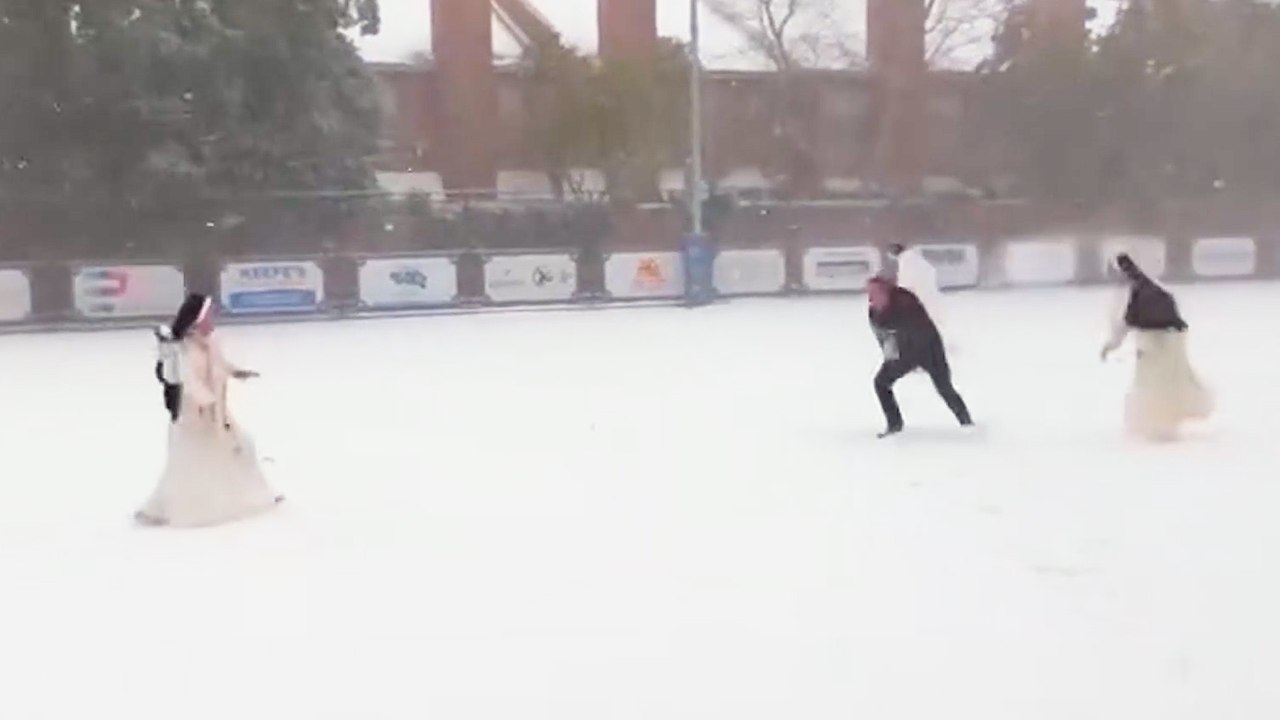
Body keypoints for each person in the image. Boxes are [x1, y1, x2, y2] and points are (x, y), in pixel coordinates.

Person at [136, 293, 283, 527]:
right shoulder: (184, 350)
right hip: (195, 418)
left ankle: (255, 496)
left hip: (218, 416)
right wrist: (207, 402)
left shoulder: (210, 343)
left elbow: (219, 365)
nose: (213, 319)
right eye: (209, 314)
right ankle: (169, 509)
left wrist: (236, 372)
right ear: (197, 319)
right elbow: (189, 382)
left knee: (242, 449)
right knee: (190, 466)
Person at [1100, 253, 1213, 442]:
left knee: (1153, 382)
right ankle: (1168, 420)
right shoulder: (1152, 286)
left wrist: (1112, 345)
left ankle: (1158, 424)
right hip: (1175, 337)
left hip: (1154, 340)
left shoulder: (1134, 291)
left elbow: (1125, 322)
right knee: (1173, 379)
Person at [867, 276, 973, 438]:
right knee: (881, 383)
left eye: (876, 291)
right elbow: (884, 338)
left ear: (887, 290)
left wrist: (909, 353)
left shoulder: (904, 299)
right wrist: (891, 356)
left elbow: (917, 325)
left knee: (944, 387)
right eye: (870, 292)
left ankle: (967, 423)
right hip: (903, 353)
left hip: (929, 348)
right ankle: (894, 424)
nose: (872, 296)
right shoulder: (874, 312)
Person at [889, 242, 952, 350]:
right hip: (929, 295)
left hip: (921, 298)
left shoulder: (906, 261)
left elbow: (905, 282)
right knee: (931, 321)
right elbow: (930, 272)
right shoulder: (916, 259)